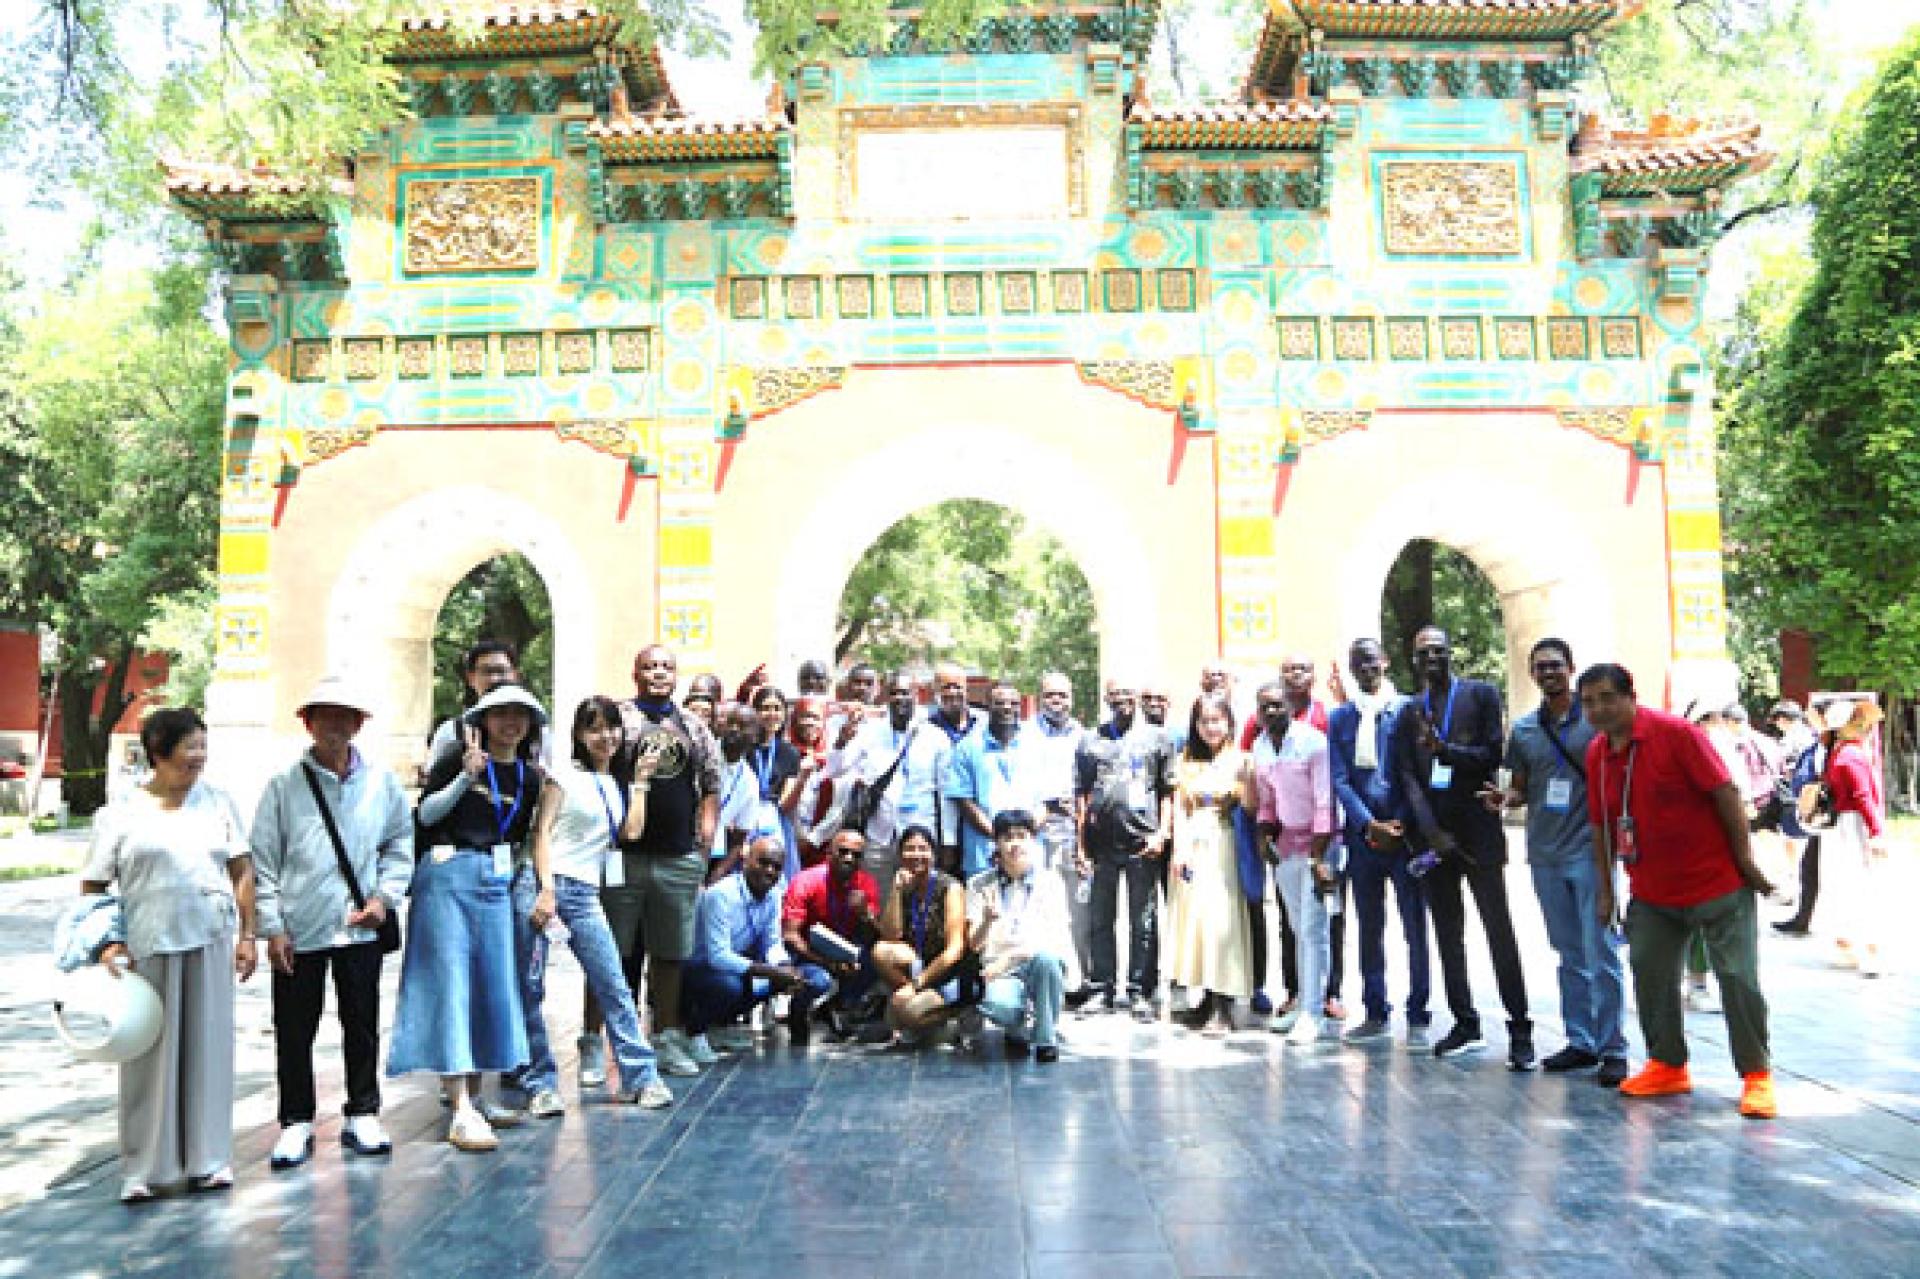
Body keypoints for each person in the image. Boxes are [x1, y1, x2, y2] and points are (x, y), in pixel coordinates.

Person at [1581, 663, 1777, 1119]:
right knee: (1649, 975)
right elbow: (1601, 825)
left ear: (1632, 696)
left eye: (1607, 698)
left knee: (1737, 979)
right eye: (1589, 702)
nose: (1598, 709)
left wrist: (1745, 862)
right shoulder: (1598, 754)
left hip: (1716, 885)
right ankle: (1668, 1064)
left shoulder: (1678, 735)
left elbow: (1725, 793)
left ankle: (1756, 1075)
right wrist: (1607, 890)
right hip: (1651, 892)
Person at [82, 708, 256, 1202]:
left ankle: (209, 1160)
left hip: (209, 937)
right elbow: (94, 884)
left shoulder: (218, 803)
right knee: (148, 1057)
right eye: (189, 747)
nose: (199, 756)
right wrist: (107, 943)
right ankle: (144, 1167)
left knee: (208, 1051)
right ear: (158, 752)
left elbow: (242, 871)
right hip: (147, 944)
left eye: (203, 745)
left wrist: (247, 935)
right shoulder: (119, 813)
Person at [250, 676, 413, 1170]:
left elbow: (400, 844)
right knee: (294, 1029)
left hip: (360, 926)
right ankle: (296, 1120)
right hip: (299, 930)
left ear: (360, 723)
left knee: (361, 1024)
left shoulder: (381, 783)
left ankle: (362, 1111)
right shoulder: (283, 786)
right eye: (326, 715)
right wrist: (272, 925)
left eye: (347, 716)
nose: (336, 725)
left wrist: (385, 898)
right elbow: (263, 860)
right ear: (307, 722)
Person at [390, 683, 545, 1151]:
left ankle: (477, 1095)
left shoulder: (530, 776)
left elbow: (521, 837)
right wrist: (464, 777)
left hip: (496, 882)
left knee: (489, 987)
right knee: (452, 985)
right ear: (482, 720)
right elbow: (426, 816)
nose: (510, 723)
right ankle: (458, 1104)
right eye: (500, 714)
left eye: (519, 715)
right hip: (448, 876)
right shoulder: (456, 759)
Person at [514, 696, 674, 1114]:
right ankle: (539, 1084)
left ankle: (642, 1077)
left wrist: (640, 781)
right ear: (580, 735)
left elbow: (631, 833)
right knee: (530, 989)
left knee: (614, 985)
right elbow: (541, 834)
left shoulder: (616, 783)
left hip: (586, 893)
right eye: (595, 728)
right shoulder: (562, 775)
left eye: (612, 727)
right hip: (544, 886)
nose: (606, 737)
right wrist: (545, 889)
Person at [1482, 640, 1628, 1086]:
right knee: (1567, 953)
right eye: (1540, 667)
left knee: (1600, 950)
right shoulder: (1525, 730)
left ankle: (1613, 1047)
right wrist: (1507, 798)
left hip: (1589, 849)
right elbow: (1523, 784)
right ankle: (1581, 1039)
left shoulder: (1595, 723)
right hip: (1544, 851)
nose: (1548, 673)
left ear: (1570, 669)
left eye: (1555, 666)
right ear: (1531, 673)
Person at [1394, 625, 1533, 1069]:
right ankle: (1464, 1022)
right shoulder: (1408, 710)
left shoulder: (1481, 695)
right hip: (1435, 839)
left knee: (1499, 930)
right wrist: (1430, 830)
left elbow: (1493, 753)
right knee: (1447, 934)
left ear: (1450, 654)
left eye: (1438, 650)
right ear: (1413, 661)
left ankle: (1520, 1028)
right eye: (1422, 653)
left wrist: (1446, 750)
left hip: (1479, 833)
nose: (1431, 659)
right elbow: (1407, 775)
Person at [603, 644, 722, 1079]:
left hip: (677, 857)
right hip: (624, 855)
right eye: (650, 666)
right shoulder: (618, 718)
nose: (658, 673)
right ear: (635, 672)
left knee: (670, 954)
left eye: (666, 667)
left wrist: (704, 841)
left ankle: (667, 1037)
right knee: (613, 952)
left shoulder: (692, 724)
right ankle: (604, 1041)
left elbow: (711, 782)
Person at [1328, 638, 1430, 1048]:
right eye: (1358, 663)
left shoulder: (1407, 710)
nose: (1366, 668)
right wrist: (1369, 824)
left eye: (1372, 660)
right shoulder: (1341, 718)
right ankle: (1375, 1008)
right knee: (1369, 927)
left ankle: (1419, 1012)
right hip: (1363, 840)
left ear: (1385, 662)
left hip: (1405, 839)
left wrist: (1399, 823)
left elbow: (1417, 772)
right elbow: (1339, 779)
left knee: (1415, 927)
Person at [1074, 679, 1173, 1020]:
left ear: (1137, 698)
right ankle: (1102, 988)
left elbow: (1166, 791)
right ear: (1106, 698)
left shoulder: (1157, 739)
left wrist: (1163, 832)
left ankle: (1140, 991)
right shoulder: (1090, 740)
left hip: (1141, 844)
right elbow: (1081, 795)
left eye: (1128, 694)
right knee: (1101, 920)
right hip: (1101, 845)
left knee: (1142, 921)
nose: (1122, 700)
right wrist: (1081, 845)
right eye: (1115, 694)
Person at [1256, 654, 1345, 1023]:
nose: (1273, 711)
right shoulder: (1261, 746)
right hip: (1285, 847)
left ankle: (1313, 1011)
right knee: (1297, 926)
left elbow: (1325, 803)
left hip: (1320, 845)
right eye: (1265, 707)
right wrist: (1264, 835)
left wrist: (1319, 858)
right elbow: (1267, 800)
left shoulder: (1314, 743)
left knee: (1314, 926)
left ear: (1290, 706)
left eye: (1279, 704)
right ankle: (1304, 1001)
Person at [1164, 694, 1254, 1037]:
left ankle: (1223, 1005)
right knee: (1195, 922)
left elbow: (1249, 809)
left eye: (1217, 720)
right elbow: (1180, 807)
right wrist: (1179, 850)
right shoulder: (1186, 760)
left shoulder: (1241, 760)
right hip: (1192, 846)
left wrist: (1247, 785)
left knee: (1222, 921)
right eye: (1204, 721)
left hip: (1224, 844)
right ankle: (1202, 997)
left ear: (1229, 722)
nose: (1210, 727)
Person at [682, 836, 821, 1049]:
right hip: (701, 969)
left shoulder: (773, 895)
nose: (769, 871)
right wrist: (770, 972)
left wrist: (784, 968)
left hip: (740, 968)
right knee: (730, 986)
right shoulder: (721, 895)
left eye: (776, 867)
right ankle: (694, 1030)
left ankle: (722, 1025)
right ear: (746, 860)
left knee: (816, 978)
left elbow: (772, 942)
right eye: (763, 863)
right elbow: (717, 956)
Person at [821, 671, 942, 910]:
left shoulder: (935, 737)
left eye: (905, 693)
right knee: (880, 903)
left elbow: (944, 795)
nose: (899, 698)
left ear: (916, 696)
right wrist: (841, 743)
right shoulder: (870, 732)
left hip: (920, 835)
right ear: (886, 697)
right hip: (879, 835)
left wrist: (946, 840)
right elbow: (833, 770)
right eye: (894, 693)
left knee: (919, 903)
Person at [968, 809, 1076, 1062]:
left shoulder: (1051, 882)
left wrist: (1011, 957)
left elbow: (1055, 936)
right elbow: (973, 944)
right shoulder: (978, 885)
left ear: (1032, 840)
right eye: (1007, 837)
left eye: (1021, 836)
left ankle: (1045, 1039)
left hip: (1037, 961)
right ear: (996, 843)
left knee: (1048, 961)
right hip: (999, 969)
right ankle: (1015, 1026)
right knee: (1000, 1007)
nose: (1015, 843)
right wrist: (986, 920)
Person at [872, 825, 974, 1042]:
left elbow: (955, 950)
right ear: (900, 855)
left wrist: (915, 985)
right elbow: (891, 935)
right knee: (881, 951)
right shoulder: (905, 884)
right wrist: (896, 890)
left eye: (923, 848)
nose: (916, 854)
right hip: (918, 965)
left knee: (906, 1014)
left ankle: (951, 1017)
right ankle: (919, 1008)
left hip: (947, 973)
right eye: (909, 849)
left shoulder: (950, 887)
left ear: (933, 854)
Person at [780, 828, 883, 1041]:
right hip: (807, 953)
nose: (848, 858)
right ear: (829, 853)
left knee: (880, 957)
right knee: (819, 981)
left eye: (856, 855)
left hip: (845, 952)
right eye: (843, 852)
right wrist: (828, 963)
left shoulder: (866, 884)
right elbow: (790, 936)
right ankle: (798, 1011)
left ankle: (836, 1006)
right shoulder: (806, 881)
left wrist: (866, 915)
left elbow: (877, 937)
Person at [1821, 700, 1891, 977]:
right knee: (1865, 887)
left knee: (1848, 885)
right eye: (1862, 722)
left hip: (1847, 824)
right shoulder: (1852, 755)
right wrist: (1877, 832)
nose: (1867, 727)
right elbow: (1863, 797)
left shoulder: (1838, 752)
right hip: (1856, 825)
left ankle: (1846, 945)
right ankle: (1869, 953)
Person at [947, 682, 1043, 878]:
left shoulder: (1037, 745)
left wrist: (1021, 839)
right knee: (982, 907)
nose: (1007, 708)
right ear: (987, 705)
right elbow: (964, 802)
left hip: (1028, 855)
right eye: (1000, 703)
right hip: (983, 854)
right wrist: (1000, 838)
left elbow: (1047, 802)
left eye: (1013, 703)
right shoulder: (967, 748)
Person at [1769, 700, 1823, 936]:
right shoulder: (1817, 740)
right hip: (1811, 806)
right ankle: (1802, 918)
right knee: (1808, 866)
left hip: (1821, 811)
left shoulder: (1817, 740)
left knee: (1808, 862)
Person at [925, 663, 981, 874]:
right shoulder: (923, 727)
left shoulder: (983, 725)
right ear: (935, 690)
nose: (952, 692)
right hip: (939, 828)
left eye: (958, 686)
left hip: (978, 825)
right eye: (946, 687)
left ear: (966, 689)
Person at [426, 640, 519, 758]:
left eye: (501, 671)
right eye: (487, 671)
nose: (494, 679)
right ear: (471, 678)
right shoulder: (451, 732)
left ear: (515, 676)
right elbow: (433, 775)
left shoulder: (538, 732)